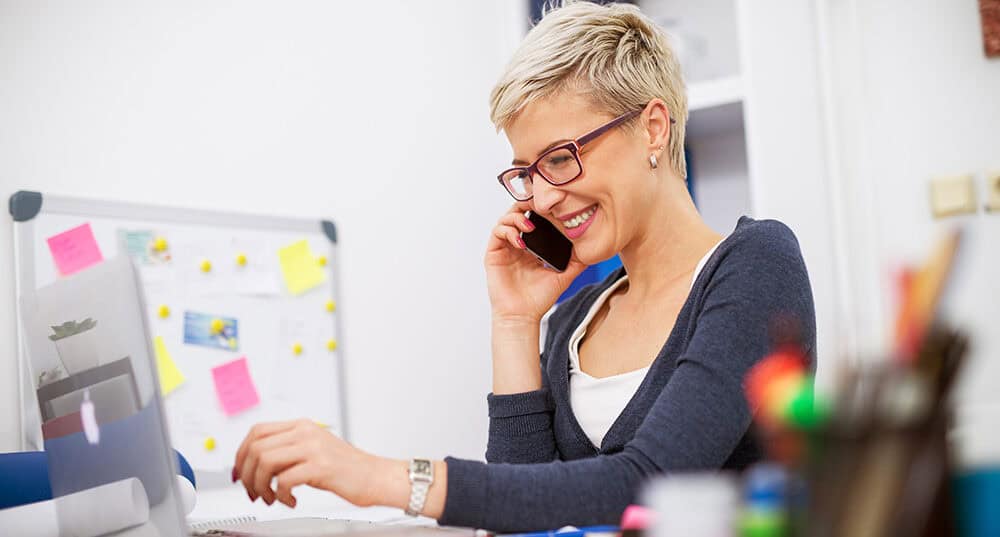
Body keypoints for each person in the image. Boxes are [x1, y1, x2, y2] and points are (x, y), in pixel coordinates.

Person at [232, 1, 816, 531]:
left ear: (653, 128)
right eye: (526, 172)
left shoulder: (756, 263)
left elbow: (646, 483)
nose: (539, 199)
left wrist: (382, 478)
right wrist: (514, 323)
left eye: (560, 158)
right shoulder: (572, 321)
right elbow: (522, 523)